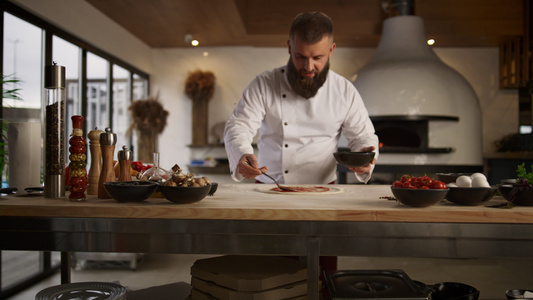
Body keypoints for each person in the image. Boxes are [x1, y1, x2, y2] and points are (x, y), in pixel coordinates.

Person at [224, 11, 379, 185]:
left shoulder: (344, 90)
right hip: (269, 187)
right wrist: (241, 153)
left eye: (318, 58)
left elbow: (363, 136)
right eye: (301, 56)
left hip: (323, 190)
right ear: (290, 47)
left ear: (331, 50)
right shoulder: (264, 84)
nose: (309, 67)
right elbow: (239, 125)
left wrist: (364, 155)